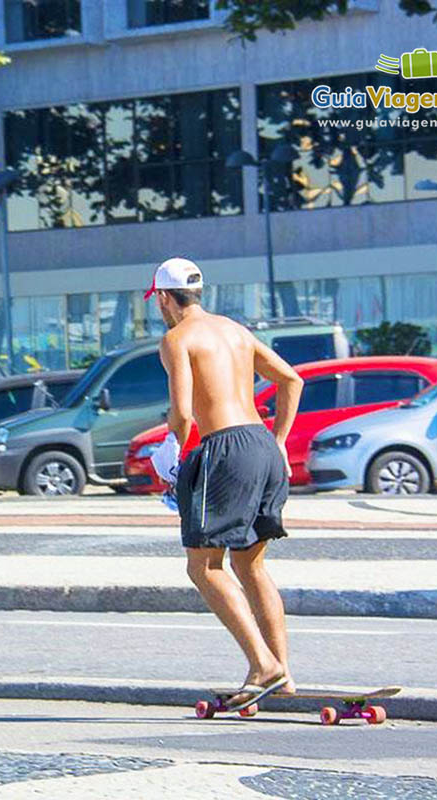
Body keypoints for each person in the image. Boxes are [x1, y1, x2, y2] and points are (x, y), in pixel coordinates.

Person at [147, 257, 304, 712]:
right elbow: (290, 380)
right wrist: (278, 442)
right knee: (251, 567)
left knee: (203, 567)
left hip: (226, 449)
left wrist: (172, 453)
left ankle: (264, 666)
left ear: (163, 298)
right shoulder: (236, 330)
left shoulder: (177, 338)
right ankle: (281, 672)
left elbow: (182, 412)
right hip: (261, 444)